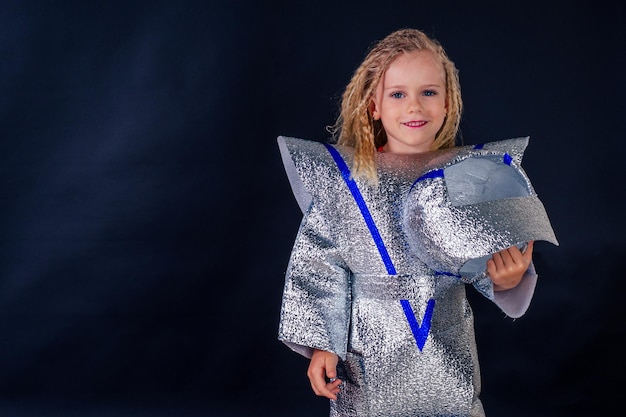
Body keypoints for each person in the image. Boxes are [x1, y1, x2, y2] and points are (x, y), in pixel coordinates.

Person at [276, 28, 557, 416]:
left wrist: (505, 281)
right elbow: (321, 264)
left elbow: (476, 260)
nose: (414, 106)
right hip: (368, 352)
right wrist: (324, 344)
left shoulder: (468, 176)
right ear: (373, 105)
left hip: (446, 345)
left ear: (447, 104)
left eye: (428, 92)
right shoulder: (344, 179)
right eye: (397, 94)